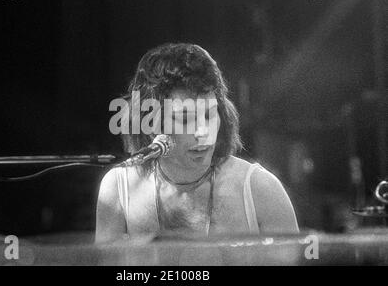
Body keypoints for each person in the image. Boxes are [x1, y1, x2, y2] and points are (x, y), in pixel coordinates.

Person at [95, 43, 298, 244]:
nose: (203, 133)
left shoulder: (260, 189)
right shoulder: (118, 187)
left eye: (209, 115)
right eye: (185, 119)